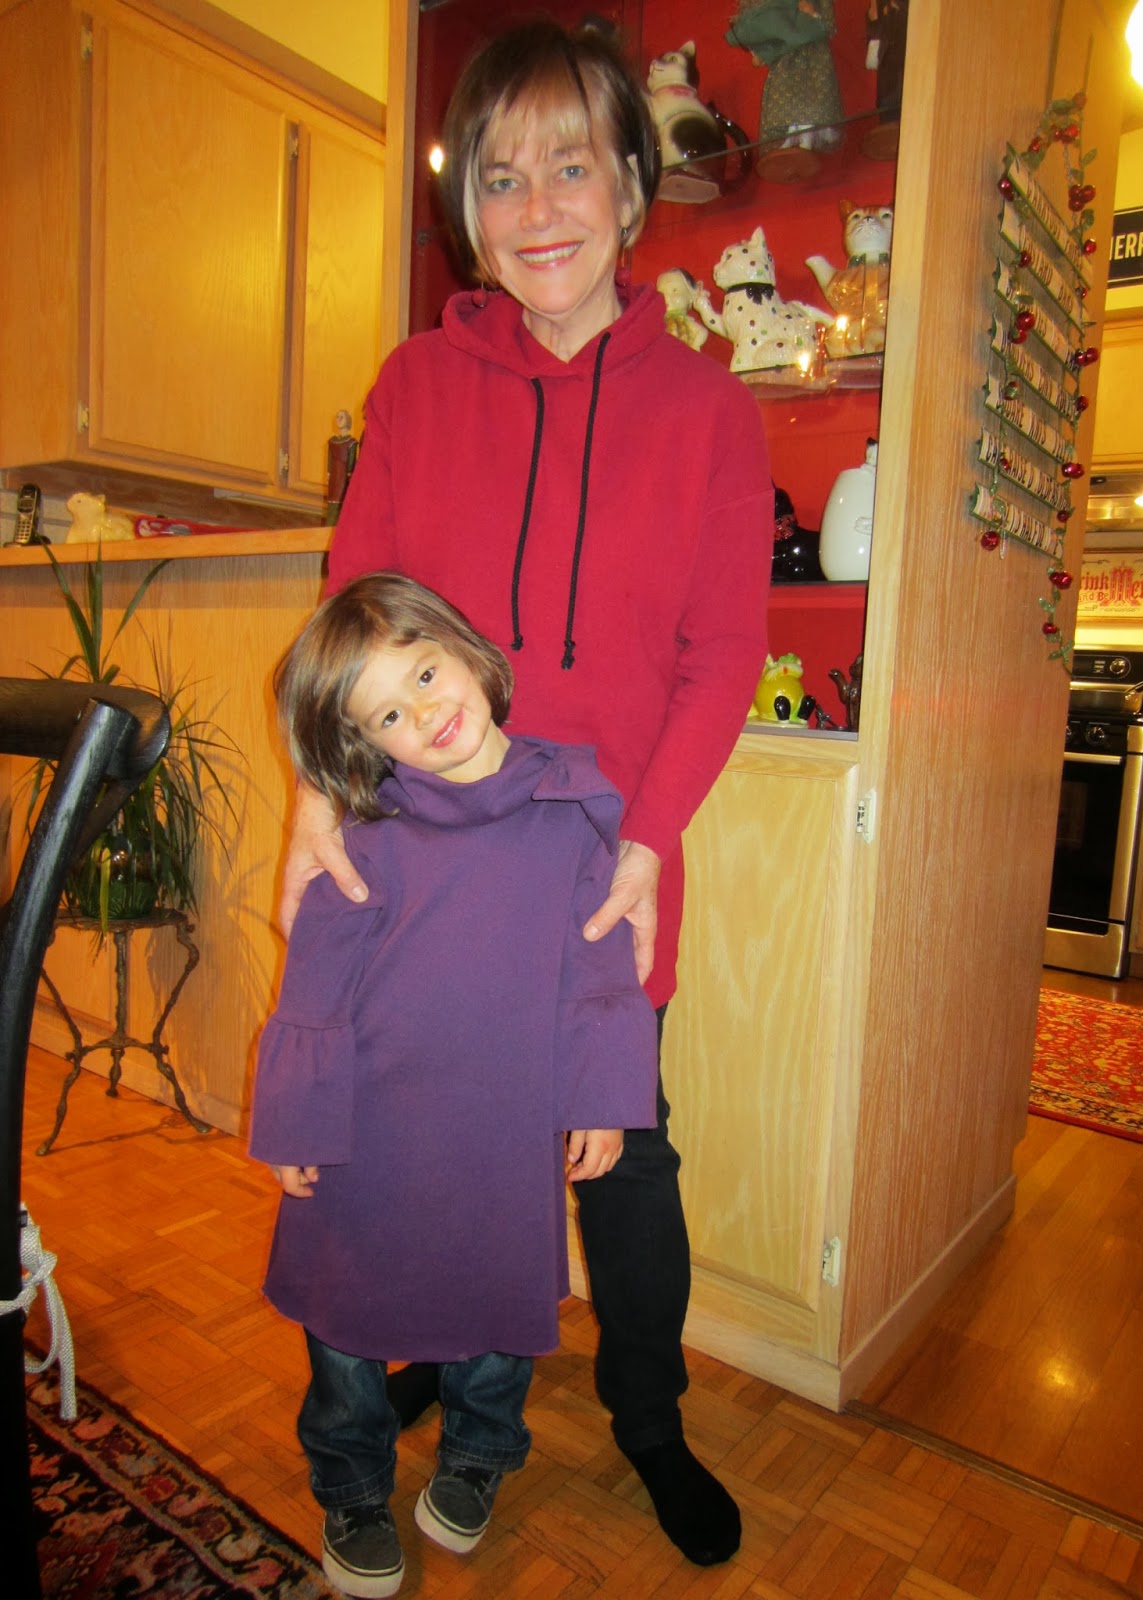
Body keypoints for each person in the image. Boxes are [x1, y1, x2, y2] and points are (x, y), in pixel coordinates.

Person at [279, 18, 774, 1570]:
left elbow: (722, 654)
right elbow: (351, 608)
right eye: (501, 176)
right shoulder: (417, 385)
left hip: (593, 861)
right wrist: (315, 802)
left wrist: (648, 842)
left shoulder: (709, 411)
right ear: (468, 209)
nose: (539, 205)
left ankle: (647, 1418)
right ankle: (429, 1344)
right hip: (418, 854)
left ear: (630, 187)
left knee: (624, 1148)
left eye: (573, 166)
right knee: (417, 1120)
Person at [252, 573, 659, 1599]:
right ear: (364, 744)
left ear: (469, 652)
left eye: (426, 674)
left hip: (501, 1125)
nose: (424, 713)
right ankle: (352, 1484)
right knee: (344, 1317)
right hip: (366, 1127)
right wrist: (295, 1117)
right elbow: (314, 983)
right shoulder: (363, 830)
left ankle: (478, 1454)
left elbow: (600, 963)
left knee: (497, 1298)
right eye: (387, 714)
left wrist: (602, 1096)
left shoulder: (570, 807)